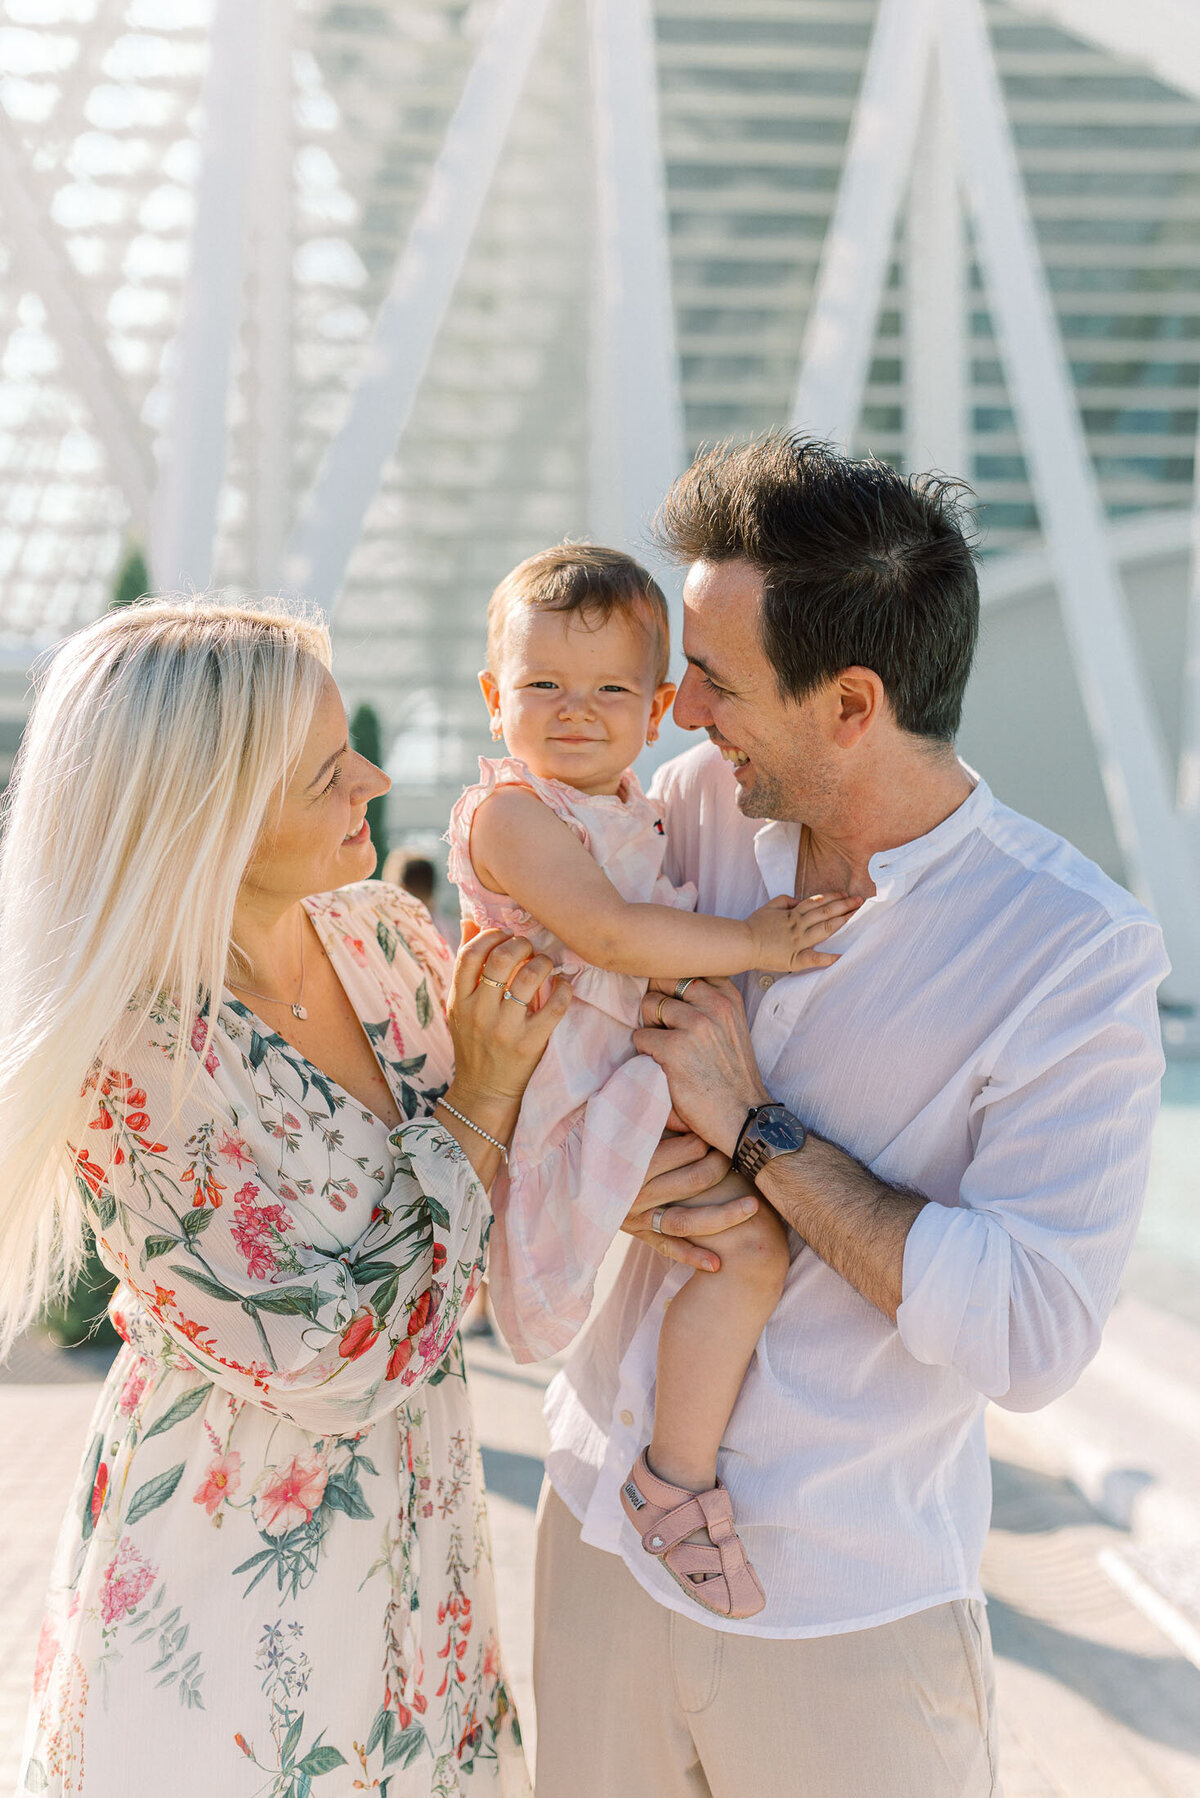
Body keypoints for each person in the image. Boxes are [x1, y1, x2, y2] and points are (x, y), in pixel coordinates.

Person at [520, 436, 1169, 1798]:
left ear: (854, 702)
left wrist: (758, 1128)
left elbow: (1033, 1332)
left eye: (717, 678)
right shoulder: (679, 814)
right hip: (594, 1539)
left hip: (845, 1612)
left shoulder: (1075, 953)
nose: (681, 706)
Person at [0, 599, 569, 1797]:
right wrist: (485, 1094)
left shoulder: (385, 937)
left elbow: (513, 1203)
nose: (368, 772)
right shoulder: (129, 1058)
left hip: (427, 1562)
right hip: (230, 1588)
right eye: (325, 769)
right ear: (206, 809)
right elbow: (336, 1360)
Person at [446, 544, 860, 1620]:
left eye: (609, 690)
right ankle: (675, 1484)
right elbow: (610, 932)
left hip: (628, 1086)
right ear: (496, 699)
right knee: (741, 1241)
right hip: (571, 1096)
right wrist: (754, 944)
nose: (574, 712)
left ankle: (671, 1475)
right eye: (542, 686)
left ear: (659, 707)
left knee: (749, 1248)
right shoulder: (510, 814)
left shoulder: (636, 805)